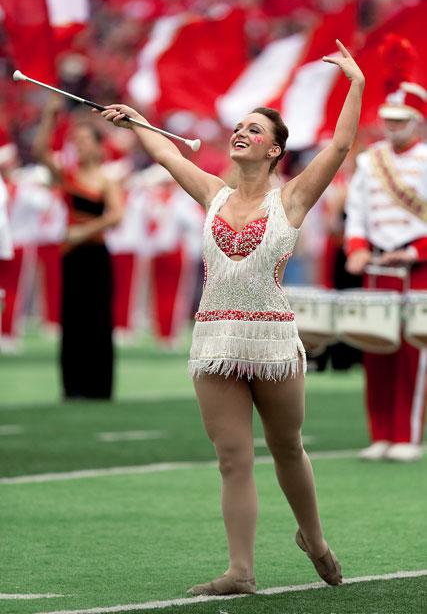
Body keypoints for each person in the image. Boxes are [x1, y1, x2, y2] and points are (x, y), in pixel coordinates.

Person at [97, 40, 364, 594]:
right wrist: (139, 122)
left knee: (287, 446)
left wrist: (355, 83)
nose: (241, 133)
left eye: (255, 130)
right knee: (231, 458)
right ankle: (240, 571)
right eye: (238, 127)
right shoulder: (213, 193)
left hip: (272, 342)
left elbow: (339, 147)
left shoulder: (290, 199)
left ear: (273, 151)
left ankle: (312, 537)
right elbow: (169, 156)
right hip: (215, 338)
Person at [345, 76, 427, 463]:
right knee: (375, 349)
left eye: (401, 120)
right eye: (389, 120)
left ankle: (407, 434)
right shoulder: (368, 160)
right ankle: (379, 433)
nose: (392, 127)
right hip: (377, 266)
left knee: (414, 352)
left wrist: (413, 251)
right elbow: (356, 214)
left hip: (417, 267)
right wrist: (357, 249)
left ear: (418, 120)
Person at [33, 100, 123, 400]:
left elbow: (116, 215)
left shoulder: (107, 180)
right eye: (76, 141)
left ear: (99, 146)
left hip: (96, 256)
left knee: (98, 320)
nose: (79, 146)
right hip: (72, 256)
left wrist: (86, 229)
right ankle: (72, 387)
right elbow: (40, 154)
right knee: (72, 321)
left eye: (85, 141)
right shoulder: (68, 175)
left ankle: (98, 387)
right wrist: (49, 117)